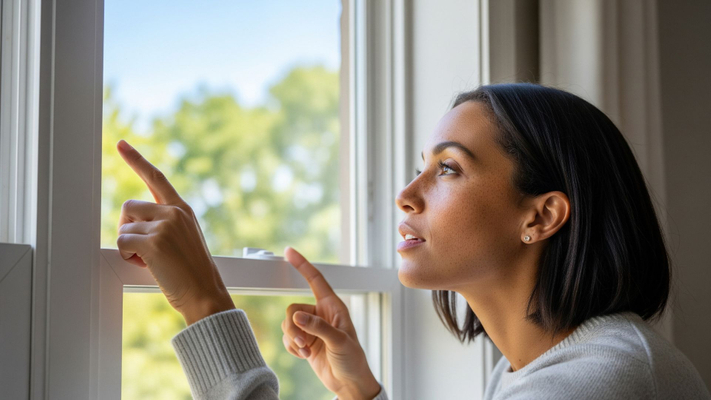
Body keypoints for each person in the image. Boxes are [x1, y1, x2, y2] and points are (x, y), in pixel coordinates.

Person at [115, 83, 711, 400]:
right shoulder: (537, 368)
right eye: (421, 165)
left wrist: (205, 307)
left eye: (448, 169)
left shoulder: (596, 385)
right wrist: (361, 393)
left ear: (542, 215)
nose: (407, 192)